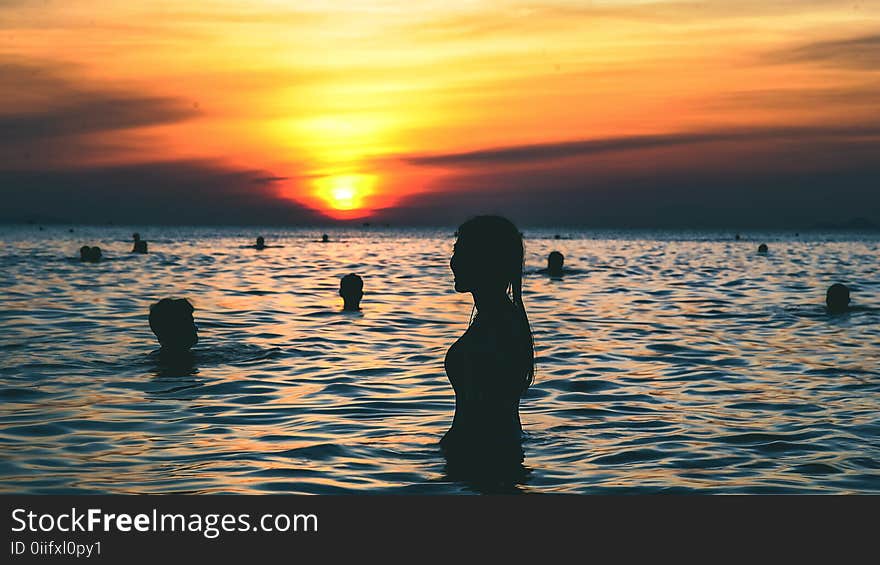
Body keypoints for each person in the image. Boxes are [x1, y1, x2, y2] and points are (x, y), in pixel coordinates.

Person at [441, 215, 535, 475]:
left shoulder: (499, 327)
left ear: (484, 260)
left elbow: (486, 412)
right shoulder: (499, 319)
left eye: (460, 252)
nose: (453, 263)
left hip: (483, 458)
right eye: (454, 252)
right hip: (490, 453)